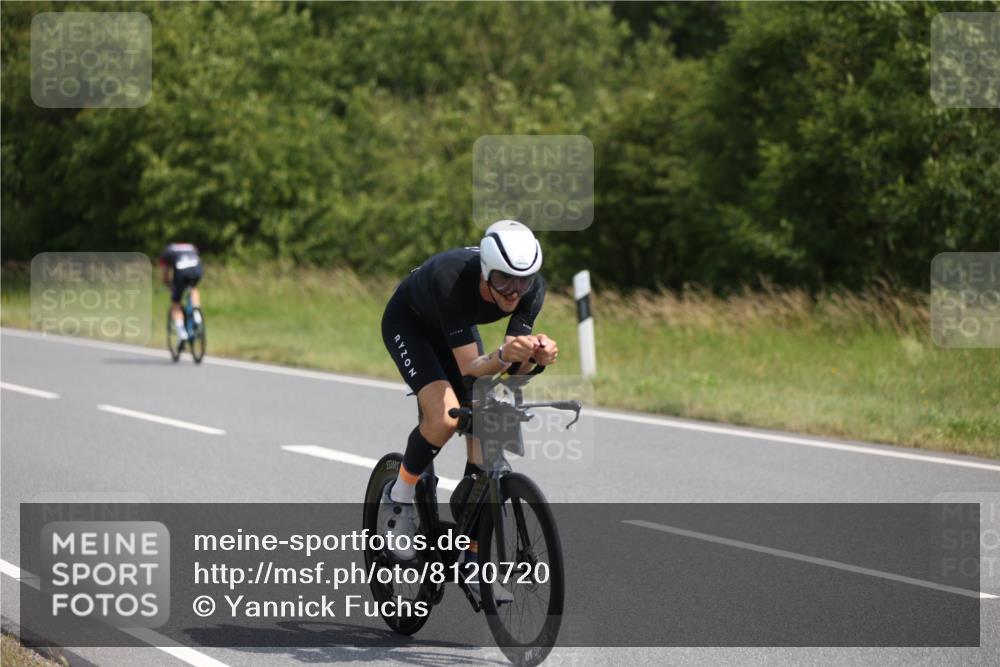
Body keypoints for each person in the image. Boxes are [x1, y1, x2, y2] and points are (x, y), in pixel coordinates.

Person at [378, 220, 559, 601]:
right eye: (503, 280)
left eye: (521, 281)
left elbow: (509, 370)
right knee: (444, 416)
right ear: (485, 271)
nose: (513, 292)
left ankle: (472, 557)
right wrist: (502, 356)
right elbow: (472, 368)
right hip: (411, 324)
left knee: (488, 418)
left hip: (457, 330)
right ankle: (400, 496)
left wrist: (537, 358)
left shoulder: (530, 288)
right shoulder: (452, 280)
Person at [159, 243, 203, 349]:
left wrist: (170, 287)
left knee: (176, 303)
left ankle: (182, 333)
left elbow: (165, 277)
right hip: (197, 269)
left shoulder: (166, 253)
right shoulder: (191, 247)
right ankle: (197, 314)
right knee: (193, 287)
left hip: (181, 272)